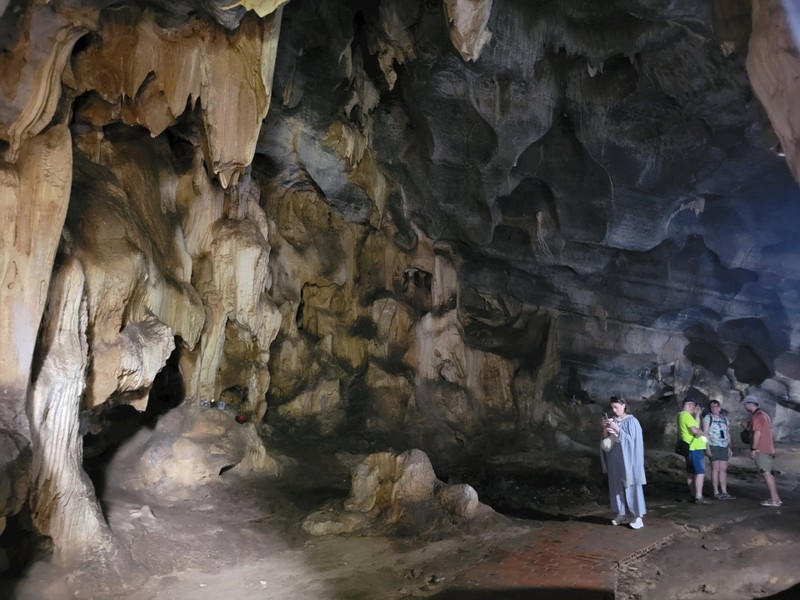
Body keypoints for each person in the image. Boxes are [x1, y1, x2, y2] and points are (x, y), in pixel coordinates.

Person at [601, 396, 646, 529]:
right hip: (615, 456)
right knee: (616, 484)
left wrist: (618, 429)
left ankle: (638, 516)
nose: (614, 410)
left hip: (629, 458)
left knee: (631, 484)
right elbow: (606, 439)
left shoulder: (632, 421)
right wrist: (605, 428)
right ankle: (621, 513)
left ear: (624, 405)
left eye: (617, 407)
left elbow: (633, 442)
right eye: (612, 407)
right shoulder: (613, 420)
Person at [743, 395, 782, 507]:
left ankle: (774, 500)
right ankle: (776, 498)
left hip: (761, 449)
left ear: (750, 404)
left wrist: (753, 449)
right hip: (769, 448)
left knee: (766, 473)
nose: (745, 406)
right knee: (768, 473)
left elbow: (757, 433)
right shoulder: (765, 415)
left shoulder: (757, 416)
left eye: (746, 404)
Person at [677, 397, 711, 503]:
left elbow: (694, 426)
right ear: (690, 405)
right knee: (699, 472)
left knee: (691, 473)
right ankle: (699, 496)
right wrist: (705, 433)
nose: (694, 408)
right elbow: (695, 430)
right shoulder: (686, 415)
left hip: (689, 447)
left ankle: (694, 494)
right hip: (694, 447)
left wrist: (697, 415)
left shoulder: (681, 415)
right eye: (694, 406)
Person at [702, 400, 735, 500]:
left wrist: (729, 447)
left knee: (723, 469)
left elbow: (727, 433)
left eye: (716, 406)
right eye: (712, 407)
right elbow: (704, 433)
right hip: (713, 445)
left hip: (723, 446)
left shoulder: (724, 419)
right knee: (716, 469)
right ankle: (716, 492)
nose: (714, 408)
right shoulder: (708, 418)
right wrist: (707, 447)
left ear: (719, 408)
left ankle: (724, 491)